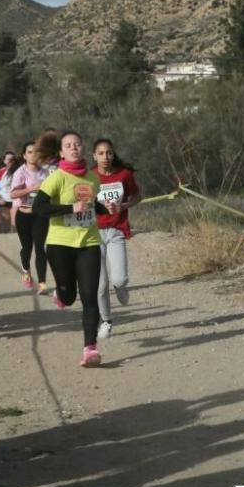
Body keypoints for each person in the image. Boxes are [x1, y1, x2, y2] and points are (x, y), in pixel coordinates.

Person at [33, 132, 118, 368]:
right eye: (68, 146)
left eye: (78, 144)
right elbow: (39, 207)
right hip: (60, 245)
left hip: (89, 242)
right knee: (69, 297)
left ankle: (90, 349)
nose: (74, 148)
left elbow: (90, 206)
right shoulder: (56, 178)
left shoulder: (93, 177)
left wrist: (105, 208)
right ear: (61, 152)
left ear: (83, 149)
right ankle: (60, 295)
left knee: (90, 297)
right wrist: (71, 207)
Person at [92, 138, 141, 339]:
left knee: (119, 278)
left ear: (113, 155)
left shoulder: (124, 174)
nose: (106, 157)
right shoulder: (88, 177)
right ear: (94, 156)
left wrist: (124, 206)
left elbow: (137, 196)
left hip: (116, 230)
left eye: (109, 153)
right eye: (101, 153)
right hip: (93, 233)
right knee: (100, 284)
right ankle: (106, 320)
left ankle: (121, 288)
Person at [10, 142, 50, 294]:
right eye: (30, 152)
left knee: (40, 247)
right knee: (27, 248)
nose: (33, 155)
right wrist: (32, 188)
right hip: (24, 215)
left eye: (36, 152)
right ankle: (25, 270)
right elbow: (12, 194)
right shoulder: (20, 173)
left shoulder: (45, 173)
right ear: (24, 155)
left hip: (40, 215)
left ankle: (42, 283)